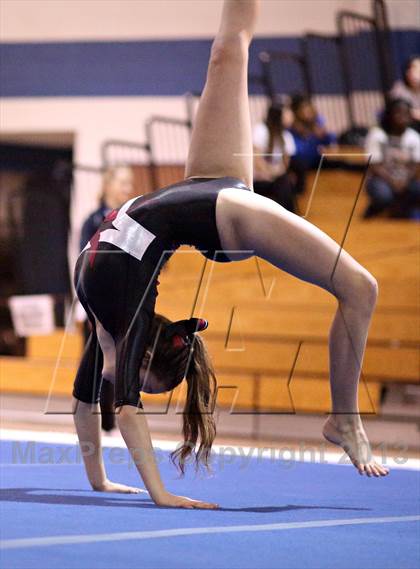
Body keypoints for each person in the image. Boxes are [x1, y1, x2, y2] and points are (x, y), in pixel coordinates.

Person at [72, 0, 388, 511]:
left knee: (228, 48)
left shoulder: (111, 325)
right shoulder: (120, 319)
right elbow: (106, 410)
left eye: (144, 387)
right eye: (143, 386)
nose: (130, 388)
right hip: (226, 218)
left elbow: (100, 410)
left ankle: (344, 418)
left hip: (207, 191)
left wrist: (128, 488)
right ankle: (344, 418)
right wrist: (131, 489)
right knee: (361, 287)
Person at [79, 166, 135, 431]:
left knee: (117, 365)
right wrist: (91, 309)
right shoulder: (94, 220)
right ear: (108, 185)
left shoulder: (129, 220)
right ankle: (94, 422)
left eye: (129, 183)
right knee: (95, 367)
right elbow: (86, 265)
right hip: (95, 304)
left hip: (120, 302)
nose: (127, 188)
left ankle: (112, 424)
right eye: (122, 182)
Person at [364, 98, 420, 219]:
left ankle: (403, 211)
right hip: (381, 179)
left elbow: (416, 166)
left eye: (406, 113)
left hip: (406, 180)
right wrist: (393, 181)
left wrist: (405, 181)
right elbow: (374, 165)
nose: (402, 117)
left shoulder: (414, 137)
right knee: (383, 195)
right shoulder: (377, 135)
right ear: (389, 115)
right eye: (398, 113)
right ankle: (371, 213)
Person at [252, 102, 297, 212]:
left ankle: (288, 216)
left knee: (285, 182)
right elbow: (256, 160)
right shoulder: (261, 130)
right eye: (288, 113)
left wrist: (275, 173)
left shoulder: (286, 136)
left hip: (275, 177)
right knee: (282, 184)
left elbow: (285, 165)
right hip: (259, 178)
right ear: (278, 115)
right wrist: (268, 172)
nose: (291, 116)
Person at [389, 56, 420, 132]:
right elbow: (399, 112)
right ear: (408, 72)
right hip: (407, 129)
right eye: (416, 69)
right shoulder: (399, 89)